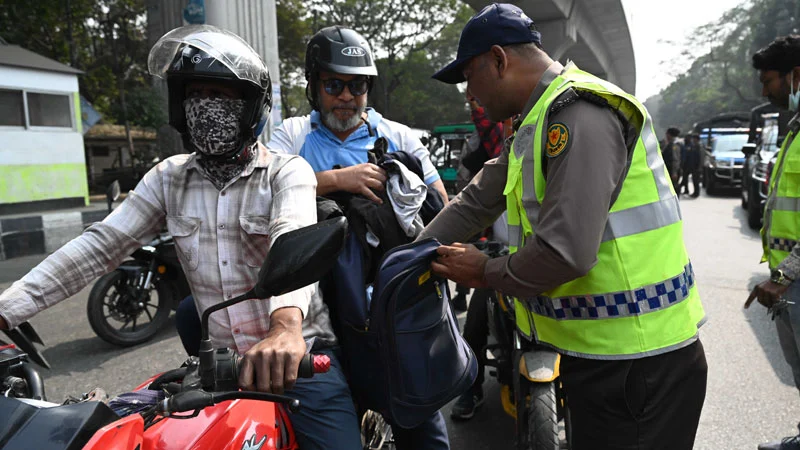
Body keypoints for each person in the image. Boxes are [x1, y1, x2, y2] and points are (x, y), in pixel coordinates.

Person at [0, 25, 362, 450]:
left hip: (295, 360)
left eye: (221, 96)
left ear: (251, 107)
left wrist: (284, 329)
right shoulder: (167, 178)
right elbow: (98, 247)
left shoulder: (287, 172)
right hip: (220, 366)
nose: (205, 107)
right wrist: (6, 309)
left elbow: (293, 235)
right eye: (195, 95)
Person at [424, 4, 708, 449]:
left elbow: (565, 251)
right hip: (600, 356)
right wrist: (409, 255)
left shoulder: (579, 113)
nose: (468, 95)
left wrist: (482, 272)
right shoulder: (534, 124)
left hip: (637, 362)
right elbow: (477, 200)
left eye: (469, 77)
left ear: (499, 60)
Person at [266, 25, 449, 450]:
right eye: (334, 85)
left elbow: (440, 202)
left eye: (358, 85)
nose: (347, 96)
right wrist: (336, 180)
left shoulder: (400, 137)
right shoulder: (292, 136)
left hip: (392, 308)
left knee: (422, 426)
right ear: (313, 86)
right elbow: (262, 194)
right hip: (316, 310)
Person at [746, 34, 800, 450]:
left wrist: (784, 274)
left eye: (769, 81)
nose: (764, 91)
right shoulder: (795, 129)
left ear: (795, 75)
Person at [450, 93, 507, 419]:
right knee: (475, 321)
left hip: (546, 257)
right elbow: (467, 201)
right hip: (498, 254)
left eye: (480, 98)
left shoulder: (546, 137)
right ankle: (470, 390)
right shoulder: (479, 147)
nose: (477, 106)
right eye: (472, 101)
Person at [660, 126, 683, 192]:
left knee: (673, 188)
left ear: (669, 134)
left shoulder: (675, 144)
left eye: (667, 134)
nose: (666, 135)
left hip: (672, 170)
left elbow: (675, 159)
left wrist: (674, 172)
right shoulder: (672, 143)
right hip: (671, 169)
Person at [681, 132, 703, 197]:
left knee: (696, 181)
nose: (692, 140)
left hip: (697, 167)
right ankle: (694, 192)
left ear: (696, 139)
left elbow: (701, 157)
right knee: (694, 180)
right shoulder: (694, 146)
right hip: (693, 166)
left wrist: (699, 167)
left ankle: (696, 193)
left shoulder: (699, 146)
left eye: (694, 139)